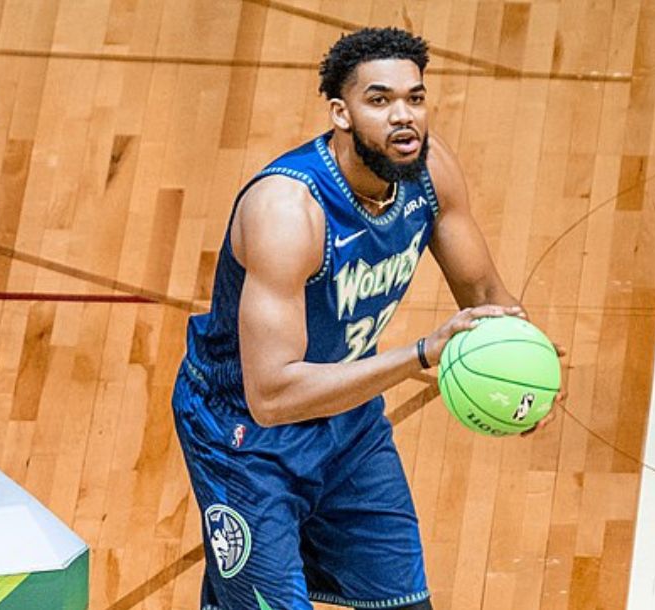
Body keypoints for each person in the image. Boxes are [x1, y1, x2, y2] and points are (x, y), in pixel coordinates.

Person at [172, 26, 563, 610]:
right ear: (342, 113)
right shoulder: (288, 210)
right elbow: (272, 394)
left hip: (347, 421)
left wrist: (525, 363)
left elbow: (484, 292)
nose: (403, 116)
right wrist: (420, 355)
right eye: (379, 100)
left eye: (415, 97)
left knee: (404, 604)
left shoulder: (430, 174)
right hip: (245, 440)